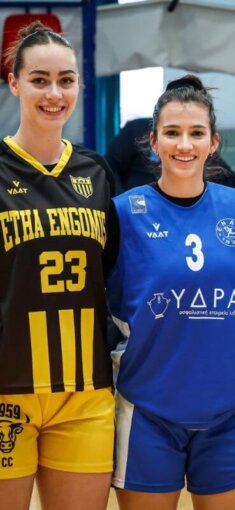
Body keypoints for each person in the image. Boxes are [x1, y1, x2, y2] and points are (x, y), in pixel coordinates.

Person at [106, 75, 235, 510]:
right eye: (172, 133)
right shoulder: (123, 213)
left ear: (213, 142)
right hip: (148, 408)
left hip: (229, 410)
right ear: (153, 142)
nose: (184, 144)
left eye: (196, 133)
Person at [0, 22, 115, 510]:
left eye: (66, 80)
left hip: (85, 391)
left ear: (79, 86)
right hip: (7, 388)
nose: (54, 93)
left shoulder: (96, 171)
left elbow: (115, 274)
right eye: (39, 80)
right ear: (14, 83)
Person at [106, 117, 235, 195]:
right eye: (171, 133)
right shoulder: (137, 130)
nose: (184, 146)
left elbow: (230, 179)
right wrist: (121, 201)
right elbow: (110, 168)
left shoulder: (201, 144)